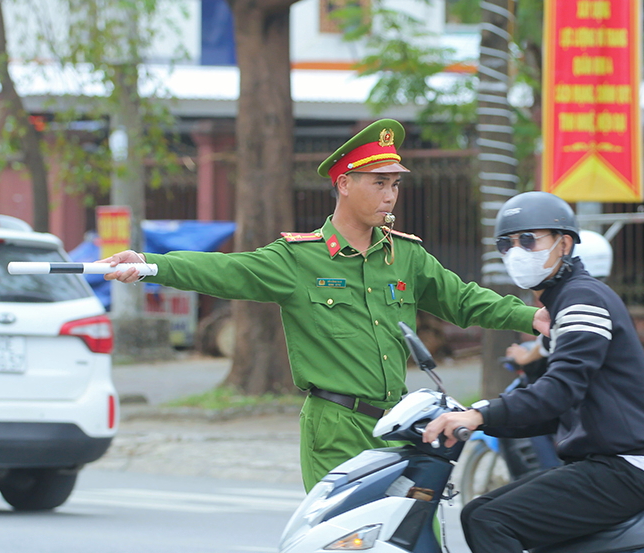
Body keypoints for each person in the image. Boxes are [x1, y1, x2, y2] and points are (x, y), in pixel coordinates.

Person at [100, 119, 543, 493]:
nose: (390, 195)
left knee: (405, 549)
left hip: (399, 422)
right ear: (344, 184)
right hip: (335, 426)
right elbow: (227, 270)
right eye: (378, 183)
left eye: (394, 184)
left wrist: (534, 318)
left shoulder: (405, 256)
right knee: (340, 549)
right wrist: (148, 265)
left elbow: (464, 301)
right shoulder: (300, 258)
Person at [423, 191, 644, 553]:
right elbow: (556, 408)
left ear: (565, 243)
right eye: (506, 244)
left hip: (623, 470)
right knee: (477, 513)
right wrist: (473, 418)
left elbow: (559, 390)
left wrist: (482, 414)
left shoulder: (583, 299)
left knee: (491, 522)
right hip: (606, 465)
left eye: (529, 241)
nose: (516, 253)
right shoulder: (566, 302)